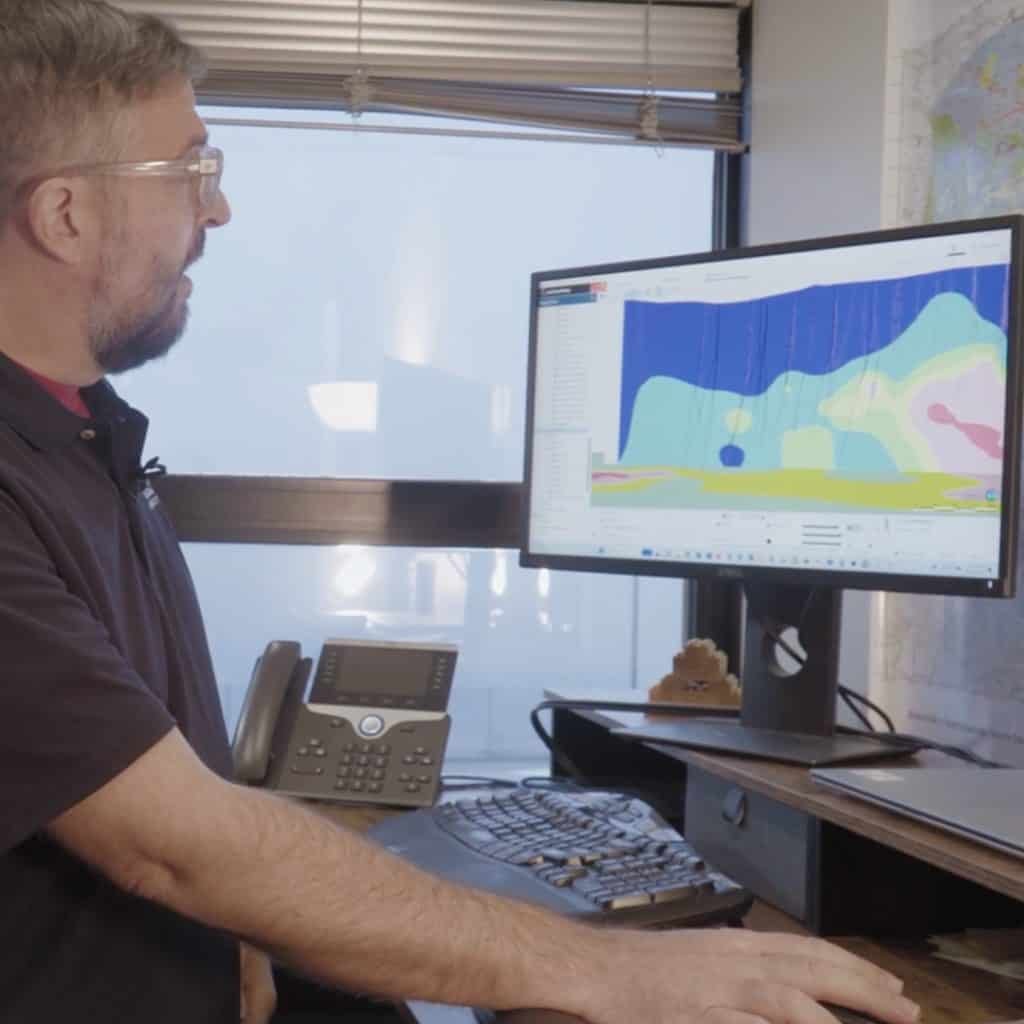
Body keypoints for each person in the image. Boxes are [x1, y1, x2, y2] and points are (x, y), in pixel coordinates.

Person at [0, 2, 925, 1023]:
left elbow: (173, 823)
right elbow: (170, 845)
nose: (217, 214)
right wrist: (605, 968)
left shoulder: (88, 438)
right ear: (66, 215)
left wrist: (240, 923)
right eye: (192, 172)